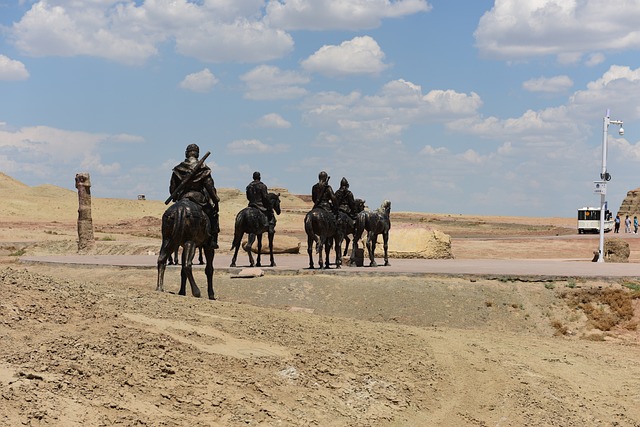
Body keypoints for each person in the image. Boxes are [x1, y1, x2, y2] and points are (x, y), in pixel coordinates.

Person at [169, 143, 220, 248]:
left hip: (182, 197)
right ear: (197, 154)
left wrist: (175, 197)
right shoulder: (203, 169)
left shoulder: (178, 168)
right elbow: (210, 187)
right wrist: (215, 200)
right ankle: (212, 240)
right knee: (212, 215)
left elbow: (172, 189)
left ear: (186, 154)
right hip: (198, 198)